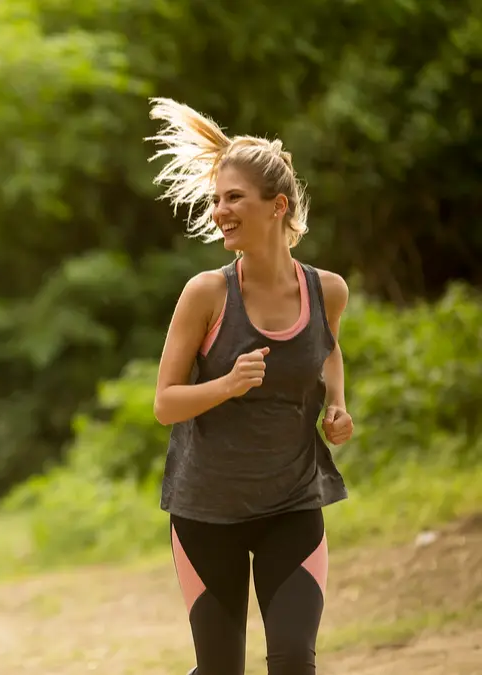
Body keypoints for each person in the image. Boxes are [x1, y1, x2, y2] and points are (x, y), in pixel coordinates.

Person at [145, 97, 355, 675]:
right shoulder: (207, 294)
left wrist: (336, 406)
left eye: (233, 198)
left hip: (292, 503)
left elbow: (328, 352)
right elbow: (165, 403)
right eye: (216, 199)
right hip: (205, 512)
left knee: (292, 662)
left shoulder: (326, 291)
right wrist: (227, 386)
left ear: (277, 206)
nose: (219, 211)